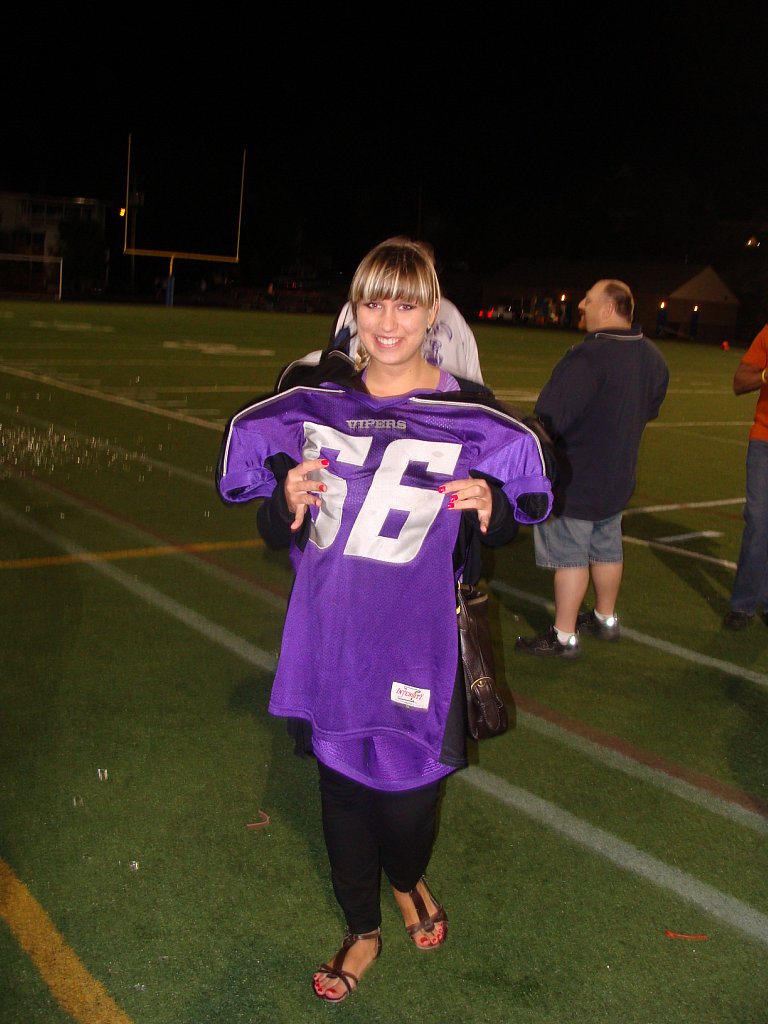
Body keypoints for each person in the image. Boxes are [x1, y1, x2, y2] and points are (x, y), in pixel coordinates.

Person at [216, 237, 552, 1002]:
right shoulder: (316, 400)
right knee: (340, 796)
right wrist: (285, 497)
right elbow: (272, 519)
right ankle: (361, 929)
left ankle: (406, 876)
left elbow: (509, 516)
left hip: (417, 642)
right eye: (374, 303)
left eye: (405, 304)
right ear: (354, 311)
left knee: (406, 805)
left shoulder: (468, 409)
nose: (388, 321)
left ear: (432, 313)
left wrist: (493, 504)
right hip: (331, 636)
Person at [515, 278, 669, 660]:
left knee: (571, 557)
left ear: (608, 308)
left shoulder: (588, 356)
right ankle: (605, 617)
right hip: (618, 475)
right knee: (607, 547)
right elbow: (650, 408)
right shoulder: (652, 357)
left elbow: (551, 417)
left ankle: (564, 636)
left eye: (587, 299)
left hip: (577, 476)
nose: (581, 305)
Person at [722, 324, 768, 630]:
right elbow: (740, 382)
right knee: (758, 521)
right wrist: (765, 375)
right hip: (765, 441)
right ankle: (743, 605)